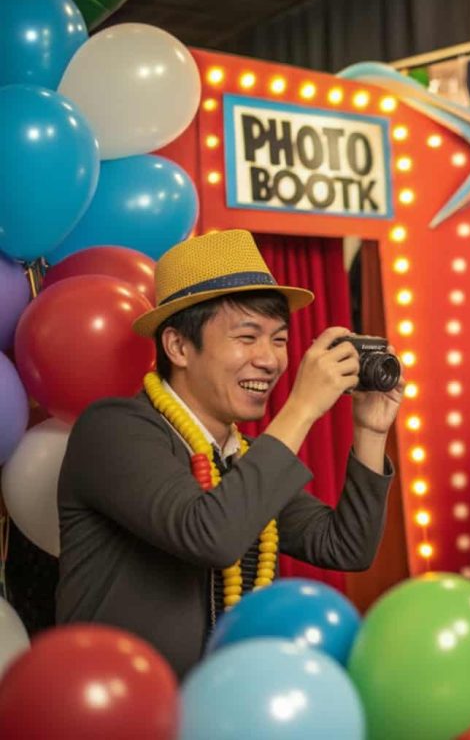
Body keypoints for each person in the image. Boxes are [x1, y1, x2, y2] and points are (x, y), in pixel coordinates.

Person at [56, 229, 401, 677]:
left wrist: (370, 430)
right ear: (179, 346)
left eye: (279, 340)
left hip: (220, 708)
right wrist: (301, 407)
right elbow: (210, 535)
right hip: (120, 709)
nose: (271, 360)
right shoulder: (112, 430)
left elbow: (345, 547)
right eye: (247, 336)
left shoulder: (243, 459)